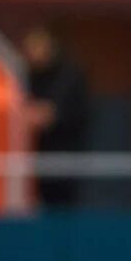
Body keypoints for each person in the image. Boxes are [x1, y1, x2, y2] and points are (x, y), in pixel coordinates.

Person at [20, 26, 90, 209]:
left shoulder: (68, 76)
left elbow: (48, 115)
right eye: (28, 50)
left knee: (64, 205)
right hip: (37, 157)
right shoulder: (29, 76)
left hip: (66, 153)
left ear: (48, 46)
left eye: (36, 48)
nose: (32, 54)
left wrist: (29, 116)